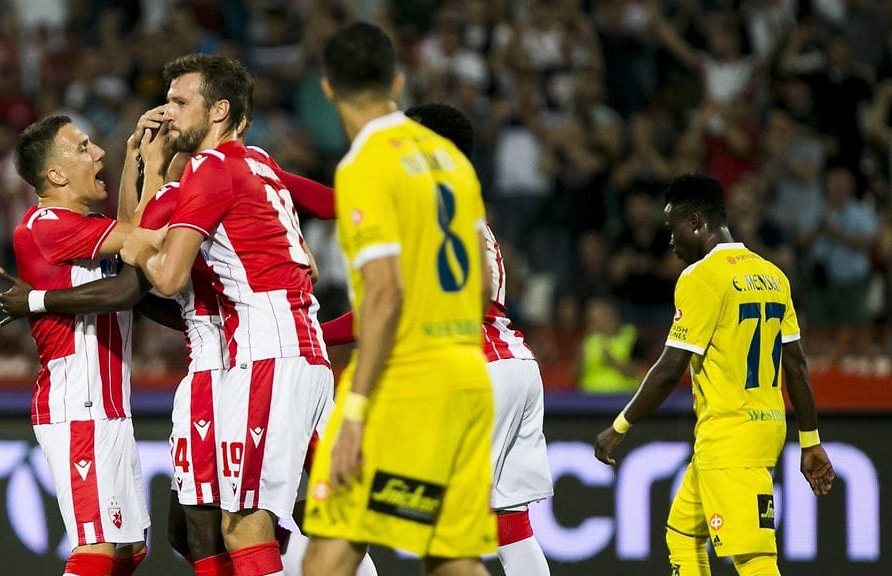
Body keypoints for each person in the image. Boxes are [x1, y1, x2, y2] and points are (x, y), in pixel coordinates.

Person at [309, 101, 555, 576]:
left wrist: (317, 334)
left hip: (475, 370)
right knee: (509, 522)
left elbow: (391, 303)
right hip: (517, 366)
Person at [121, 54, 333, 576]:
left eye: (178, 101)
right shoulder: (254, 162)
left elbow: (163, 275)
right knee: (218, 523)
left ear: (218, 111)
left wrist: (134, 246)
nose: (166, 113)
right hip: (273, 347)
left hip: (262, 351)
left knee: (243, 523)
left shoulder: (213, 170)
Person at [301, 22, 497, 576]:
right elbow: (483, 283)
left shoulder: (366, 164)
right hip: (467, 379)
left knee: (330, 549)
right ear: (398, 79)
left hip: (405, 384)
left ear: (328, 89)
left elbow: (385, 293)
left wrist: (358, 410)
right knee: (453, 559)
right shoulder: (452, 162)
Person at [594, 173, 835, 576]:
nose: (669, 242)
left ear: (694, 222)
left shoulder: (701, 277)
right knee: (683, 535)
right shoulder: (773, 275)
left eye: (672, 229)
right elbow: (795, 365)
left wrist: (619, 426)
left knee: (755, 560)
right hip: (757, 428)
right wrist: (809, 440)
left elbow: (670, 369)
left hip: (730, 439)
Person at [9, 115, 149, 576]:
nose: (98, 154)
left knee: (128, 551)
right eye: (84, 147)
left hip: (108, 406)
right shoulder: (47, 223)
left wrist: (134, 160)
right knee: (96, 550)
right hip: (77, 402)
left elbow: (132, 242)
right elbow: (138, 249)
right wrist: (161, 175)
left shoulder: (88, 230)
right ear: (56, 175)